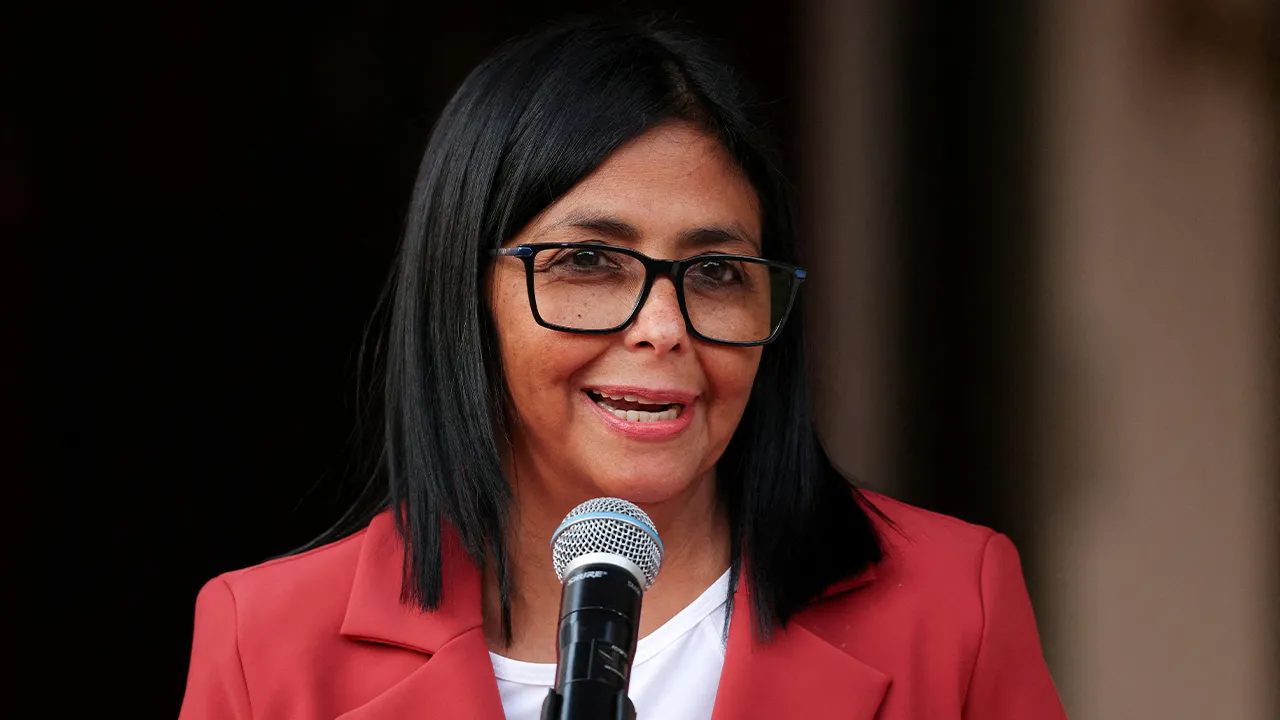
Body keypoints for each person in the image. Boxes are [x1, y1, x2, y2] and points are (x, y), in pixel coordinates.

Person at [179, 17, 1066, 720]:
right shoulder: (268, 644)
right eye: (589, 262)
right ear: (466, 292)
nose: (663, 329)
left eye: (715, 273)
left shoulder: (952, 604)